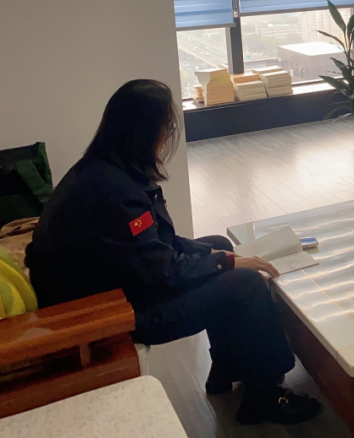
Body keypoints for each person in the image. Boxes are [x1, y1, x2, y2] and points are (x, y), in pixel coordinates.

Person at [25, 80, 321, 426]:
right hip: (114, 312)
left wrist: (217, 254)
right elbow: (161, 270)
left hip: (114, 287)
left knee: (220, 244)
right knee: (245, 284)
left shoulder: (104, 171)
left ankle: (226, 369)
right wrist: (225, 263)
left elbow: (154, 245)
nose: (168, 137)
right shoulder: (115, 194)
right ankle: (265, 395)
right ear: (144, 132)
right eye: (167, 128)